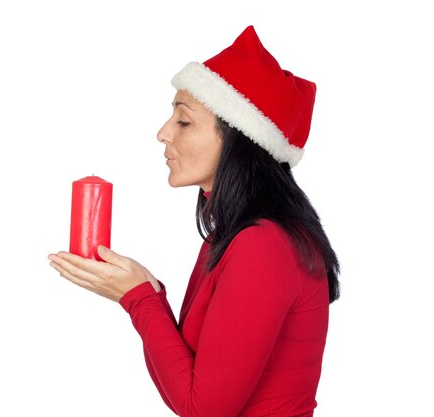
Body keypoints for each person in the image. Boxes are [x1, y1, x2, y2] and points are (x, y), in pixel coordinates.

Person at [48, 25, 340, 417]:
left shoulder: (264, 244)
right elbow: (188, 388)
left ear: (240, 140)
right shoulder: (231, 235)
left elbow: (203, 410)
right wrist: (145, 292)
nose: (163, 133)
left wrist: (139, 299)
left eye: (183, 122)